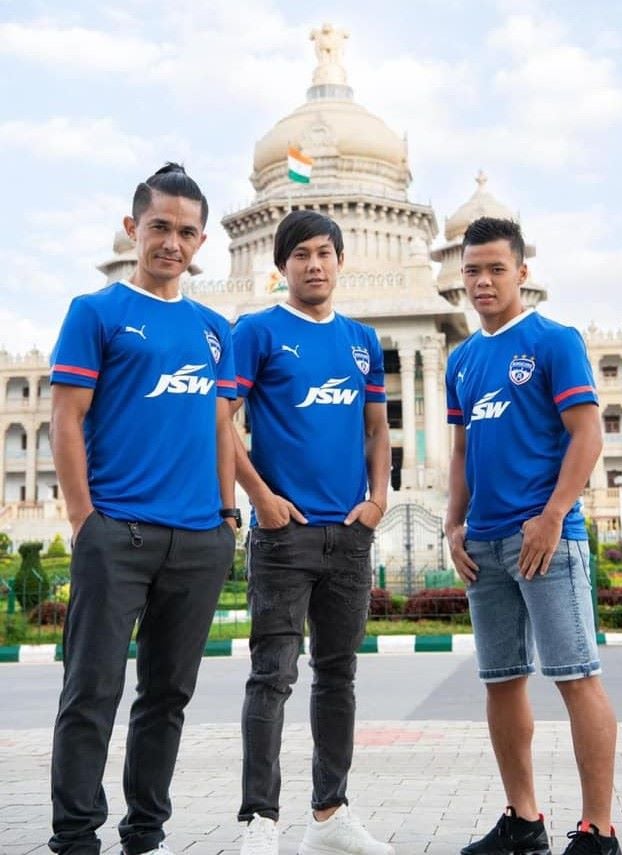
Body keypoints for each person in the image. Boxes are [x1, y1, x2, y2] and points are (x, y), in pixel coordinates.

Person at [48, 163, 239, 855]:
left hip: (197, 540)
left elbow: (222, 427)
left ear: (201, 240)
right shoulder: (95, 312)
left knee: (166, 698)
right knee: (91, 692)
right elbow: (66, 418)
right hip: (116, 533)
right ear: (133, 228)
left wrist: (226, 515)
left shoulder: (215, 330)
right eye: (160, 226)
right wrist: (83, 520)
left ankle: (145, 833)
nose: (172, 242)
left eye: (187, 232)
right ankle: (75, 837)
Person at [445, 216, 621, 855]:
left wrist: (551, 517)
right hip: (484, 547)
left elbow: (587, 433)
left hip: (547, 539)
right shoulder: (462, 359)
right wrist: (452, 523)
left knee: (575, 676)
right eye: (472, 270)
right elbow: (463, 449)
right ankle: (524, 823)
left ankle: (599, 831)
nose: (483, 281)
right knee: (502, 680)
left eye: (496, 268)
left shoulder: (553, 341)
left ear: (522, 272)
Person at [230, 210, 394, 855]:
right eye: (300, 255)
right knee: (272, 674)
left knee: (338, 675)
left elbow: (377, 427)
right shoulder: (259, 331)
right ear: (281, 266)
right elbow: (223, 419)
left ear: (341, 260)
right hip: (284, 534)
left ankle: (329, 815)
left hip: (348, 534)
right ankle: (259, 821)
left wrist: (379, 500)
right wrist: (260, 498)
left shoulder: (361, 339)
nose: (314, 265)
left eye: (324, 253)